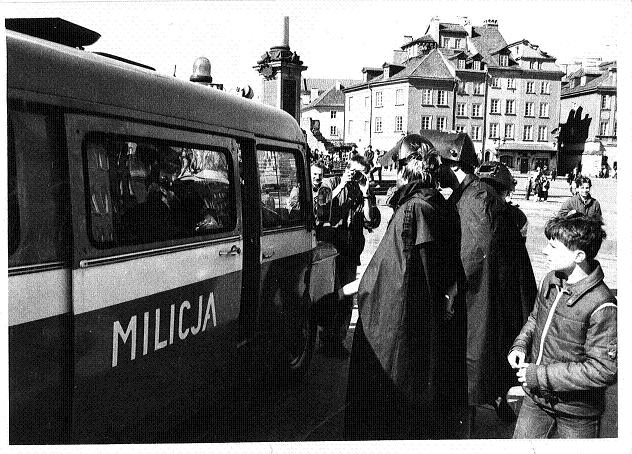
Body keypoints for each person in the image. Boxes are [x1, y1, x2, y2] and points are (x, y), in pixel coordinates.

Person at [345, 134, 467, 440]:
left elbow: (394, 274)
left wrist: (357, 289)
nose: (393, 174)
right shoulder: (435, 202)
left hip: (400, 320)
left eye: (396, 167)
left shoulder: (414, 209)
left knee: (386, 395)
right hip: (425, 315)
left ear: (405, 170)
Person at [433, 132, 536, 428]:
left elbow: (474, 254)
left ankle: (463, 433)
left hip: (478, 301)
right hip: (483, 298)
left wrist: (450, 290)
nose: (436, 171)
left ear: (453, 165)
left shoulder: (475, 198)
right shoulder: (471, 194)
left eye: (439, 165)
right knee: (476, 368)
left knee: (471, 370)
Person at [509, 213, 617, 438]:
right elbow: (534, 319)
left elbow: (603, 369)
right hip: (536, 400)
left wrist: (540, 375)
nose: (545, 251)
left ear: (578, 255)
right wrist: (520, 345)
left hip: (577, 413)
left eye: (553, 246)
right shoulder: (551, 280)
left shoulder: (602, 304)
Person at [314, 154, 380, 356]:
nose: (358, 175)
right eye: (355, 171)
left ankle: (337, 339)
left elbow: (372, 221)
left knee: (346, 296)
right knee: (330, 292)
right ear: (348, 168)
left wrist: (366, 194)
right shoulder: (331, 182)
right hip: (331, 248)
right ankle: (325, 336)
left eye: (362, 172)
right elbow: (321, 207)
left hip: (351, 250)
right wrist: (342, 184)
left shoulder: (363, 189)